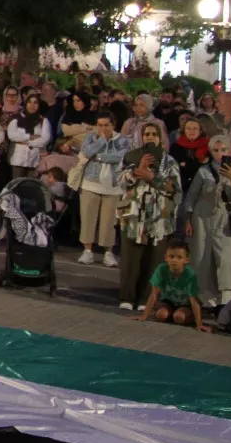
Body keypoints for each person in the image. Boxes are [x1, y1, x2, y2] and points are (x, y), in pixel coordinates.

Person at [115, 122, 181, 311]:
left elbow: (175, 190)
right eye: (147, 134)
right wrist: (138, 171)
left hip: (159, 218)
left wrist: (153, 178)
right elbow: (119, 180)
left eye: (154, 134)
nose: (150, 137)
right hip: (133, 216)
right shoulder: (130, 157)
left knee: (153, 260)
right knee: (130, 260)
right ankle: (127, 297)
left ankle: (145, 300)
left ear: (160, 138)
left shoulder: (170, 162)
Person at [182, 136, 231, 308]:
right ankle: (203, 296)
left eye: (223, 150)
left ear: (229, 151)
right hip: (202, 217)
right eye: (215, 150)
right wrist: (188, 219)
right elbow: (192, 196)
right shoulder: (204, 171)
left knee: (226, 257)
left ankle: (227, 294)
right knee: (202, 256)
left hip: (225, 219)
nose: (219, 154)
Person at [76, 113, 128, 266]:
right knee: (88, 218)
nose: (103, 128)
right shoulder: (91, 137)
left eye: (106, 125)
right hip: (90, 183)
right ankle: (87, 251)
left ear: (113, 125)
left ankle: (108, 253)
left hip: (113, 186)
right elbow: (85, 153)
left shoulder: (122, 140)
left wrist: (99, 157)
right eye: (100, 125)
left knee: (109, 222)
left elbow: (120, 157)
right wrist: (101, 141)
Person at [130, 238, 207, 332]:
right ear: (166, 257)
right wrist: (144, 316)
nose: (174, 260)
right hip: (169, 302)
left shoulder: (189, 274)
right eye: (171, 256)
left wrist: (199, 324)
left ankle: (191, 316)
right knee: (161, 315)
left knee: (179, 317)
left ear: (186, 260)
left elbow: (193, 299)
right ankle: (169, 313)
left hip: (186, 304)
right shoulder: (161, 269)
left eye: (179, 257)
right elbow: (154, 294)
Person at [5, 92, 51, 179]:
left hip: (35, 159)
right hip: (18, 159)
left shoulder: (43, 120)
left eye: (35, 102)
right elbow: (12, 135)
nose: (32, 105)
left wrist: (26, 142)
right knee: (17, 185)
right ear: (26, 104)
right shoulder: (16, 118)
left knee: (31, 187)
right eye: (29, 102)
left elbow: (45, 140)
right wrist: (29, 136)